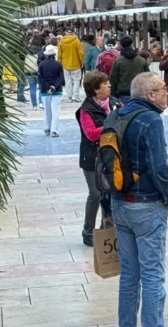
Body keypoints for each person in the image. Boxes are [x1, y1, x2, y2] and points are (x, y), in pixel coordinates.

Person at [111, 72, 168, 327]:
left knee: (129, 274)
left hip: (119, 201)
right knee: (152, 275)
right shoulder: (151, 120)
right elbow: (159, 165)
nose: (166, 92)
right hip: (146, 203)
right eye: (163, 88)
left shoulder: (116, 114)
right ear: (151, 95)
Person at [75, 71, 119, 247]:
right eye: (105, 83)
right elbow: (91, 134)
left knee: (109, 194)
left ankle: (106, 230)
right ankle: (88, 231)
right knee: (96, 194)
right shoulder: (86, 110)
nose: (109, 85)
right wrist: (110, 124)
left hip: (111, 155)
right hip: (92, 157)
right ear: (95, 89)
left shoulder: (115, 103)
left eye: (109, 82)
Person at [109, 36, 149, 104]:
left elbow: (113, 80)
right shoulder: (141, 60)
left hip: (124, 95)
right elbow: (148, 77)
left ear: (121, 46)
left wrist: (113, 96)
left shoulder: (118, 61)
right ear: (132, 44)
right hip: (140, 95)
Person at [38, 45, 65, 138]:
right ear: (54, 54)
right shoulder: (58, 64)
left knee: (47, 110)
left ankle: (47, 128)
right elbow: (61, 77)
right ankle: (54, 130)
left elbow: (40, 78)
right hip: (57, 91)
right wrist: (53, 87)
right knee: (55, 111)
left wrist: (47, 87)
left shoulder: (41, 64)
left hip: (44, 91)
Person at [58, 29, 85, 102]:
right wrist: (82, 62)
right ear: (72, 33)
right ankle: (76, 96)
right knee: (76, 80)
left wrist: (60, 63)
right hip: (75, 64)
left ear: (65, 33)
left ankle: (69, 96)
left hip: (65, 64)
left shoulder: (61, 41)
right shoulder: (76, 41)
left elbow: (59, 54)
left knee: (68, 81)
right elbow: (80, 53)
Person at [23, 35, 45, 110]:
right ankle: (41, 102)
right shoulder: (41, 50)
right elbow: (43, 62)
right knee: (41, 87)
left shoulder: (27, 50)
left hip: (29, 71)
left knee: (32, 88)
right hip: (39, 71)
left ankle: (34, 105)